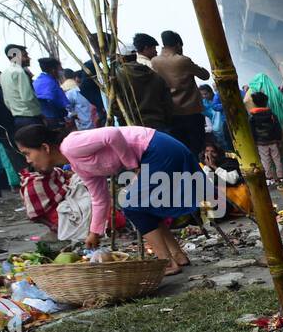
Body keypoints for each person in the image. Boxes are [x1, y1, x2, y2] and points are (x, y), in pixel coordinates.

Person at [14, 124, 193, 274]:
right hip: (154, 153)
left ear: (45, 148)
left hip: (158, 149)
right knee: (141, 205)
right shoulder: (77, 165)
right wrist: (95, 232)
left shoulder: (70, 145)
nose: (28, 160)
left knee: (133, 205)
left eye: (27, 153)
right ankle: (176, 255)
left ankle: (166, 262)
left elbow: (111, 134)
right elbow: (100, 199)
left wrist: (132, 164)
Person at [151, 31, 210, 157]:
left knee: (180, 147)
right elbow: (205, 75)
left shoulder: (155, 62)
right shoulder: (182, 60)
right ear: (178, 44)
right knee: (196, 147)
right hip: (190, 111)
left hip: (171, 112)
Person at [112, 44, 175, 130]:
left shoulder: (117, 78)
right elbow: (168, 104)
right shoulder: (155, 74)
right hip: (158, 125)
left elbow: (115, 107)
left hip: (133, 128)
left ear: (121, 58)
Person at [1, 44, 43, 136]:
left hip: (18, 118)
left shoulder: (3, 74)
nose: (29, 58)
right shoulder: (20, 72)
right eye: (25, 56)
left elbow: (7, 101)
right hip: (31, 117)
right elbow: (27, 98)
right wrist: (40, 113)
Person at [248, 91, 283, 182]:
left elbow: (252, 131)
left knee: (265, 160)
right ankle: (281, 177)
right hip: (273, 141)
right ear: (266, 102)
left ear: (254, 103)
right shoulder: (271, 115)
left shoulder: (252, 117)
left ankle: (269, 178)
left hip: (261, 143)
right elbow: (277, 128)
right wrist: (278, 139)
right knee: (277, 159)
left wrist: (254, 141)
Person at [32, 58, 73, 129]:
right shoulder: (50, 83)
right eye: (60, 69)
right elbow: (54, 102)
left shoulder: (39, 81)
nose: (62, 71)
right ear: (53, 70)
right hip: (53, 120)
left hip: (43, 119)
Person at [199, 84, 228, 149]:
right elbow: (206, 115)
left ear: (211, 91)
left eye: (205, 94)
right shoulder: (204, 103)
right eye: (202, 95)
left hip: (224, 123)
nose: (204, 96)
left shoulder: (218, 98)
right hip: (215, 127)